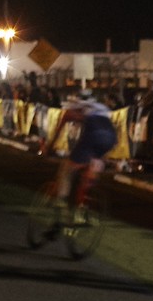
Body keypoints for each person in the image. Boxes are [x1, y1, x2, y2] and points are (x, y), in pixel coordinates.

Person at [39, 89, 117, 217]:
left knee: (67, 169)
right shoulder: (101, 107)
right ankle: (82, 205)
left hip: (94, 136)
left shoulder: (76, 107)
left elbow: (61, 127)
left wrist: (50, 146)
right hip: (110, 138)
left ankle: (61, 200)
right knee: (87, 174)